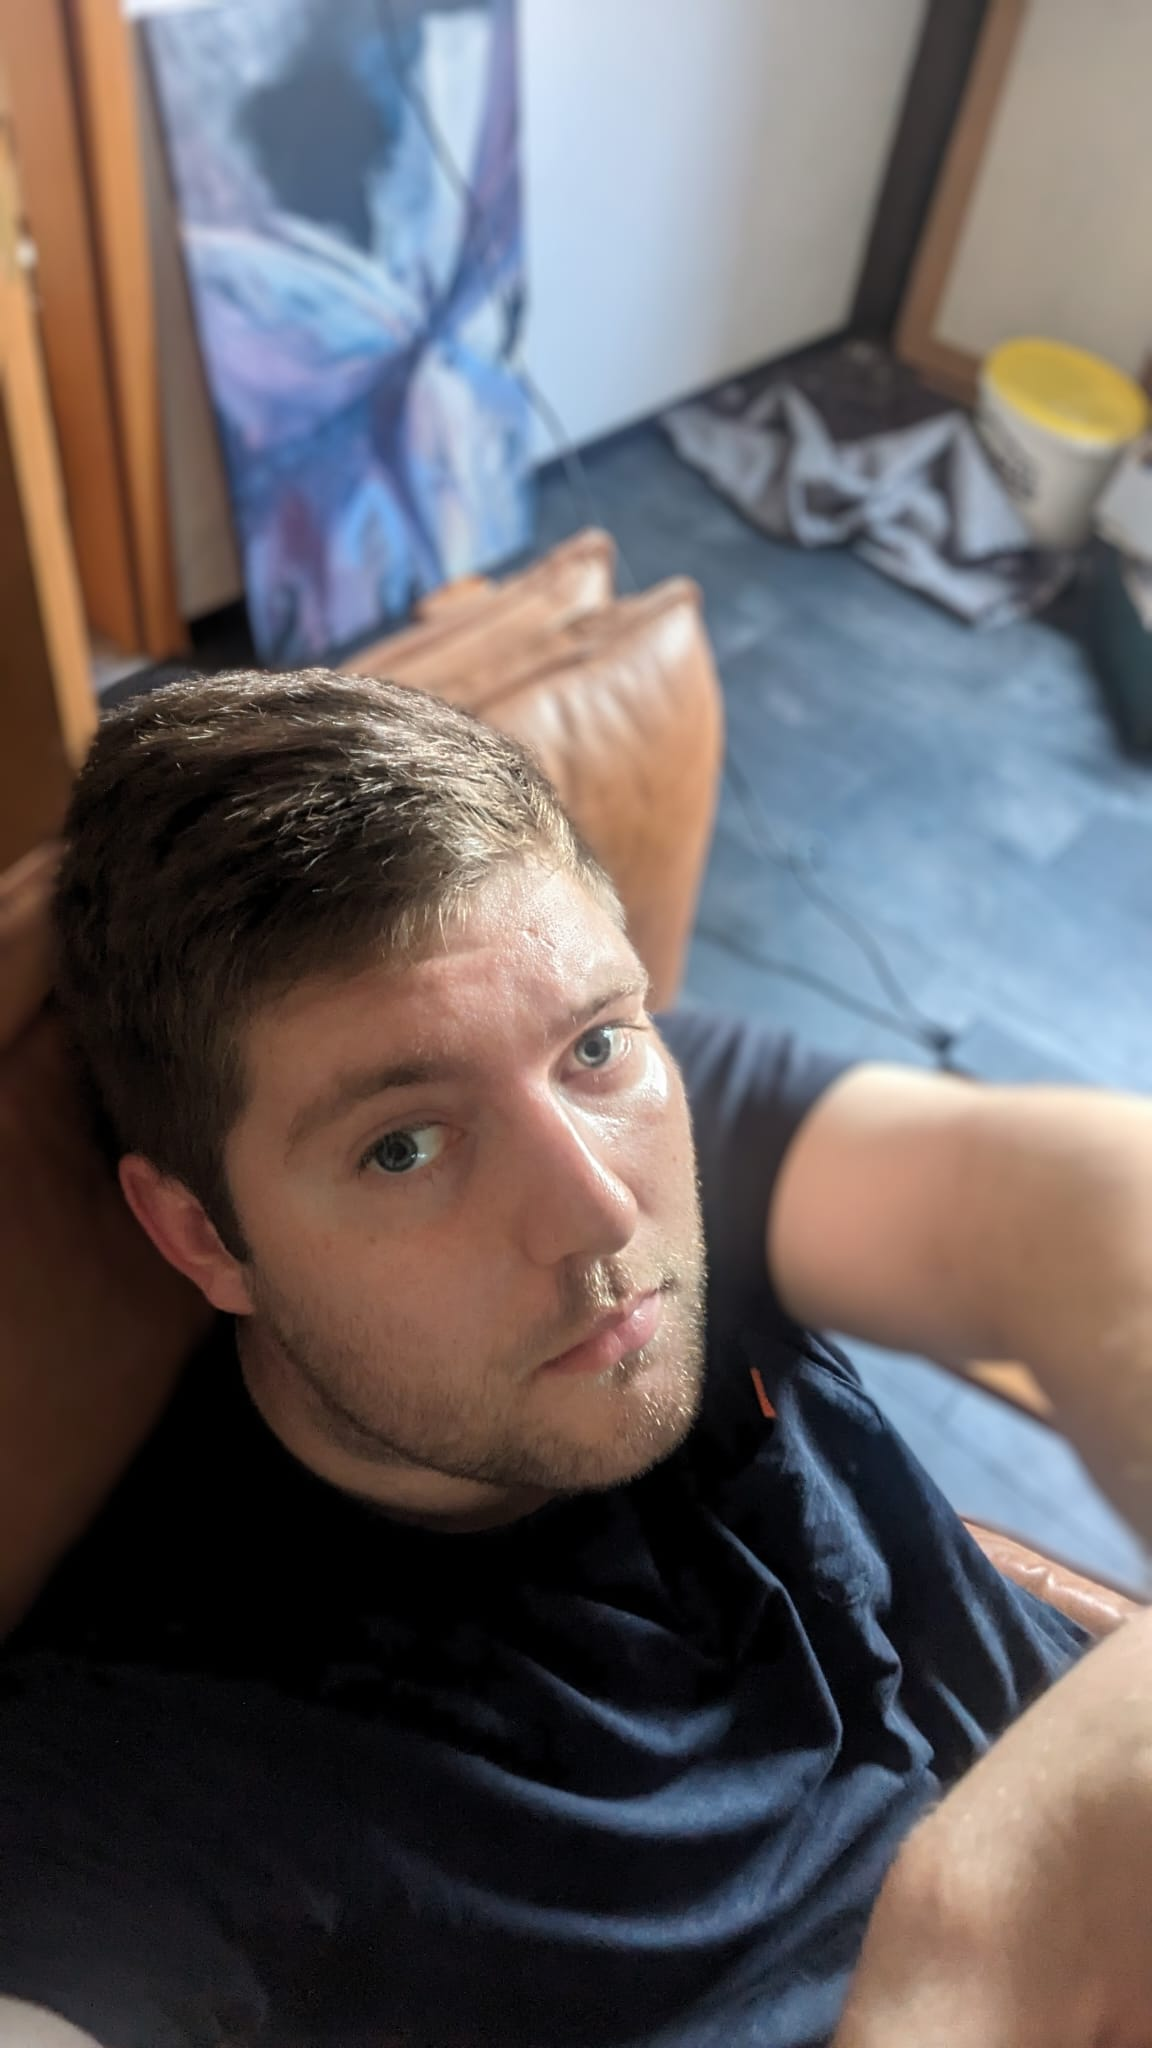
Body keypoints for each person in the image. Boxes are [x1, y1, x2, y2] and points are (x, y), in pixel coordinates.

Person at [1, 671, 1150, 2048]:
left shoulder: (649, 1126)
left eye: (597, 1041)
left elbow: (1080, 1205)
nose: (602, 1213)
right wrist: (976, 1949)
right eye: (403, 1147)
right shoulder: (143, 1786)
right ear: (202, 1234)